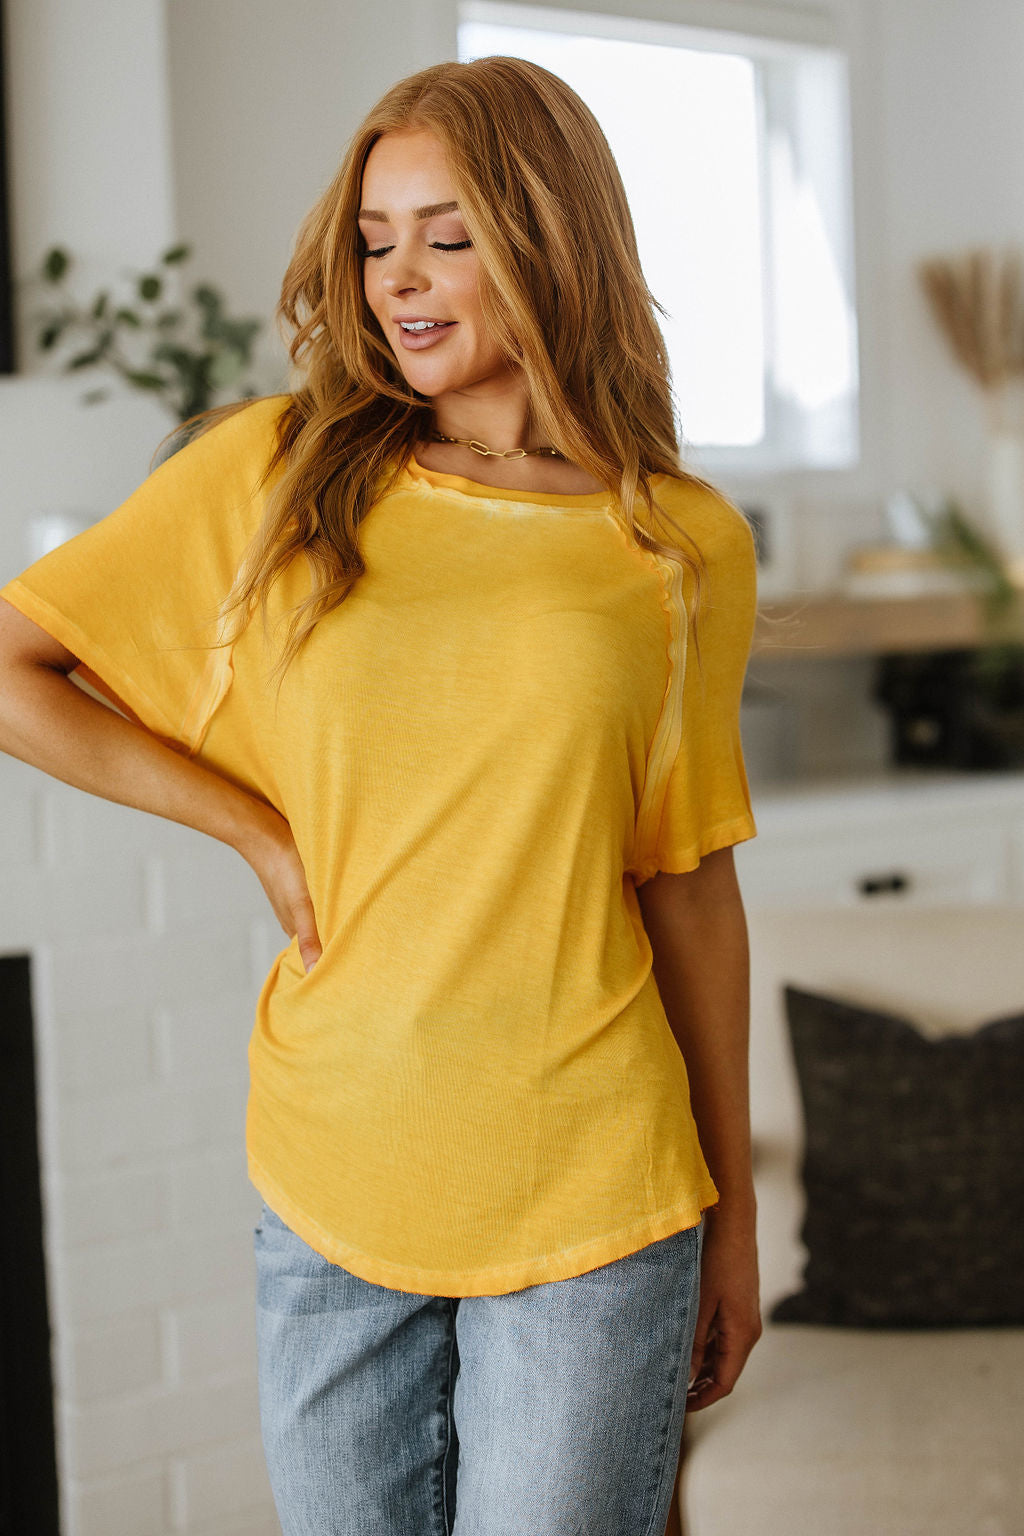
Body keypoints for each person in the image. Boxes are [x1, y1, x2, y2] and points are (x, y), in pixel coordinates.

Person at [0, 54, 762, 1536]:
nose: (397, 279)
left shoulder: (678, 545)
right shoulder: (275, 471)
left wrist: (732, 1220)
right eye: (373, 240)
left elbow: (690, 887)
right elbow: (20, 670)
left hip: (592, 1179)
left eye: (446, 236)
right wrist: (256, 833)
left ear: (551, 241)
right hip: (333, 1168)